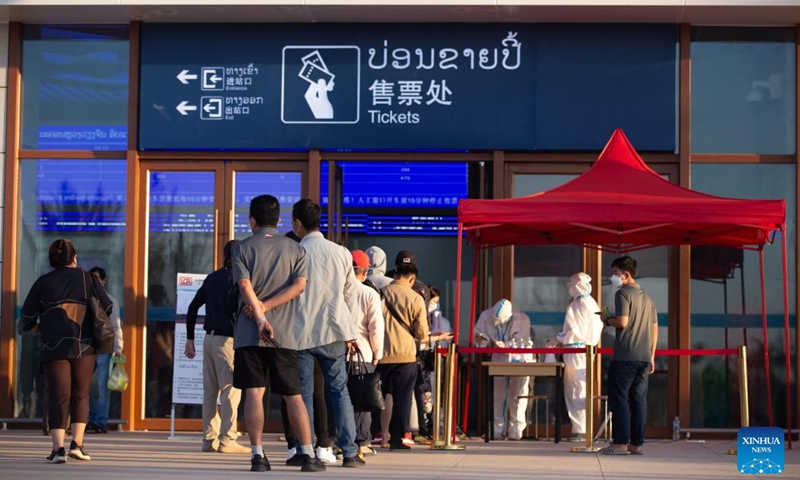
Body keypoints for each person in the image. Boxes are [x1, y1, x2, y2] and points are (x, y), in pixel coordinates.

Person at [231, 194, 325, 473]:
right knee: (293, 395)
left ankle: (258, 456)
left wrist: (259, 313)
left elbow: (244, 285)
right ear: (279, 220)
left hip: (249, 334)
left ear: (252, 221)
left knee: (254, 393)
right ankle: (308, 454)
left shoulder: (242, 248)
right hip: (285, 334)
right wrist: (269, 307)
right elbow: (299, 286)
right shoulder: (295, 249)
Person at [21, 238, 113, 464]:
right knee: (80, 395)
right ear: (74, 258)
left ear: (52, 260)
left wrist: (41, 327)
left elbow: (26, 317)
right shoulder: (88, 278)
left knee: (58, 397)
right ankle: (78, 445)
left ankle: (58, 450)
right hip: (84, 344)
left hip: (53, 347)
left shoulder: (43, 282)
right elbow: (108, 307)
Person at [288, 198, 363, 468]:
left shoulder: (295, 252)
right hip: (335, 330)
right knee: (339, 392)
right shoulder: (341, 252)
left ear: (297, 223)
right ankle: (350, 452)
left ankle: (305, 449)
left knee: (304, 393)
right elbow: (350, 295)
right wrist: (352, 332)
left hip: (301, 331)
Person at [183, 240, 249, 454]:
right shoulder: (240, 280)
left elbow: (193, 307)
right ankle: (228, 439)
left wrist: (190, 338)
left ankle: (208, 439)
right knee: (231, 392)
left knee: (210, 392)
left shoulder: (212, 278)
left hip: (208, 340)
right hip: (227, 341)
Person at [379, 263, 452, 450]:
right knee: (402, 399)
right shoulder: (415, 298)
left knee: (377, 396)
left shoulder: (380, 293)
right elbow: (421, 333)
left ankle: (371, 435)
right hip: (405, 354)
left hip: (381, 354)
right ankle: (396, 438)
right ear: (412, 279)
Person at [599, 256, 658, 456]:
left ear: (625, 274)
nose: (612, 277)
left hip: (625, 356)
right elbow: (654, 328)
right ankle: (636, 444)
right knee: (639, 400)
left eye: (615, 273)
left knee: (619, 399)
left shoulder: (623, 293)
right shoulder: (648, 298)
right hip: (643, 357)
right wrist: (652, 355)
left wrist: (607, 320)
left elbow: (622, 322)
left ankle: (620, 444)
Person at [546, 272, 604, 442]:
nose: (568, 285)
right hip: (576, 350)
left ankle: (580, 430)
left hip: (577, 351)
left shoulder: (582, 303)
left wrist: (558, 339)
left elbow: (576, 331)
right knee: (576, 388)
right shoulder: (584, 302)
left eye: (571, 282)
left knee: (576, 389)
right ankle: (580, 428)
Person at [474, 299, 532, 441]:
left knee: (517, 396)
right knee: (498, 396)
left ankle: (516, 430)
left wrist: (506, 345)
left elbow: (521, 342)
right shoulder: (486, 316)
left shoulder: (522, 318)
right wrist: (481, 340)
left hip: (519, 360)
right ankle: (497, 429)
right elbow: (478, 336)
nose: (498, 322)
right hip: (498, 359)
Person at [350, 249, 385, 457]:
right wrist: (377, 352)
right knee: (363, 400)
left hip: (339, 352)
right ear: (364, 271)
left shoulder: (338, 290)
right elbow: (376, 327)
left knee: (340, 397)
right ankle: (362, 442)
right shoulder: (369, 293)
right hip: (363, 353)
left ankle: (339, 440)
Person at [85, 267, 123, 435]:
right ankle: (91, 418)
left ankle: (100, 422)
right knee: (83, 387)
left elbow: (116, 326)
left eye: (96, 279)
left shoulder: (110, 301)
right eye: (91, 279)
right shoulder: (84, 299)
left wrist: (118, 349)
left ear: (104, 281)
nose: (94, 282)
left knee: (102, 388)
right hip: (86, 349)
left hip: (104, 349)